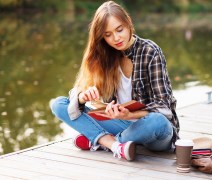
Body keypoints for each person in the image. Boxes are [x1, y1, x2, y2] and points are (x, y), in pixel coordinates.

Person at [50, 0, 179, 161]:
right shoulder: (105, 56)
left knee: (157, 121)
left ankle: (100, 141)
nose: (116, 38)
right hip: (122, 125)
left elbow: (164, 109)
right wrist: (83, 97)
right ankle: (114, 145)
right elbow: (77, 101)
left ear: (128, 23)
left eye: (119, 30)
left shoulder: (150, 51)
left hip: (153, 131)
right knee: (58, 104)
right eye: (108, 34)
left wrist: (129, 114)